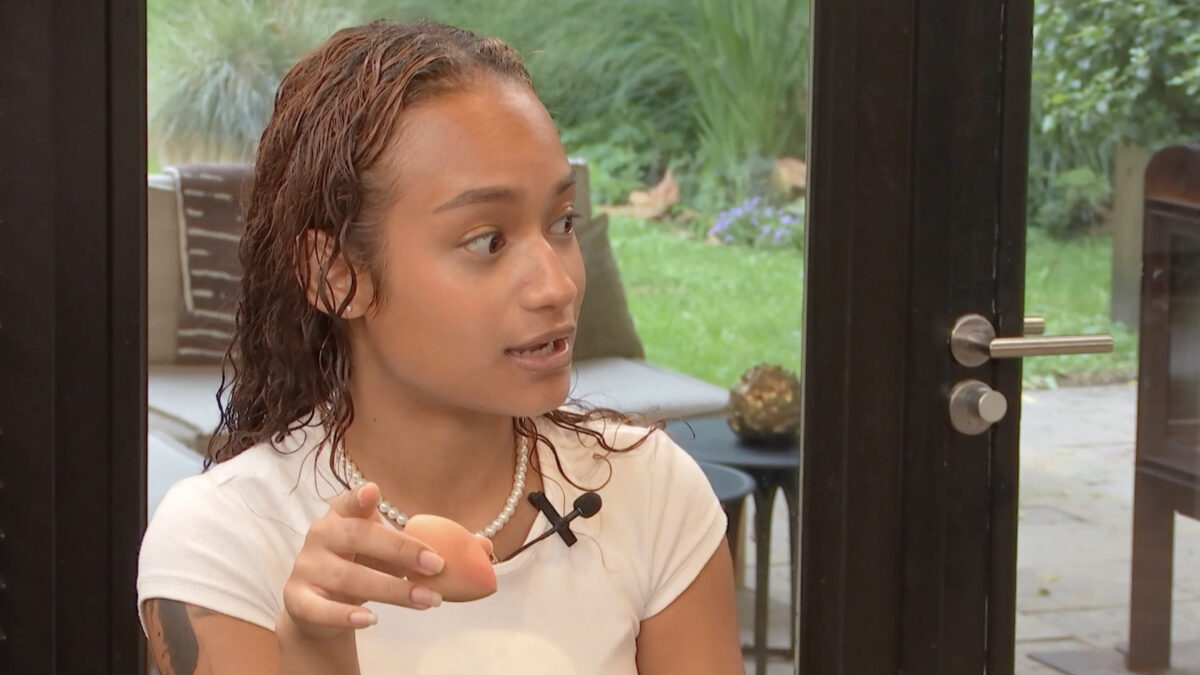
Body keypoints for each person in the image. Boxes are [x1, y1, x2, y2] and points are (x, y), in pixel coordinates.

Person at [137, 19, 742, 675]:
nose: (558, 284)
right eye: (487, 240)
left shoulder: (647, 490)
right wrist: (314, 649)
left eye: (562, 222)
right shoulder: (222, 540)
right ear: (335, 274)